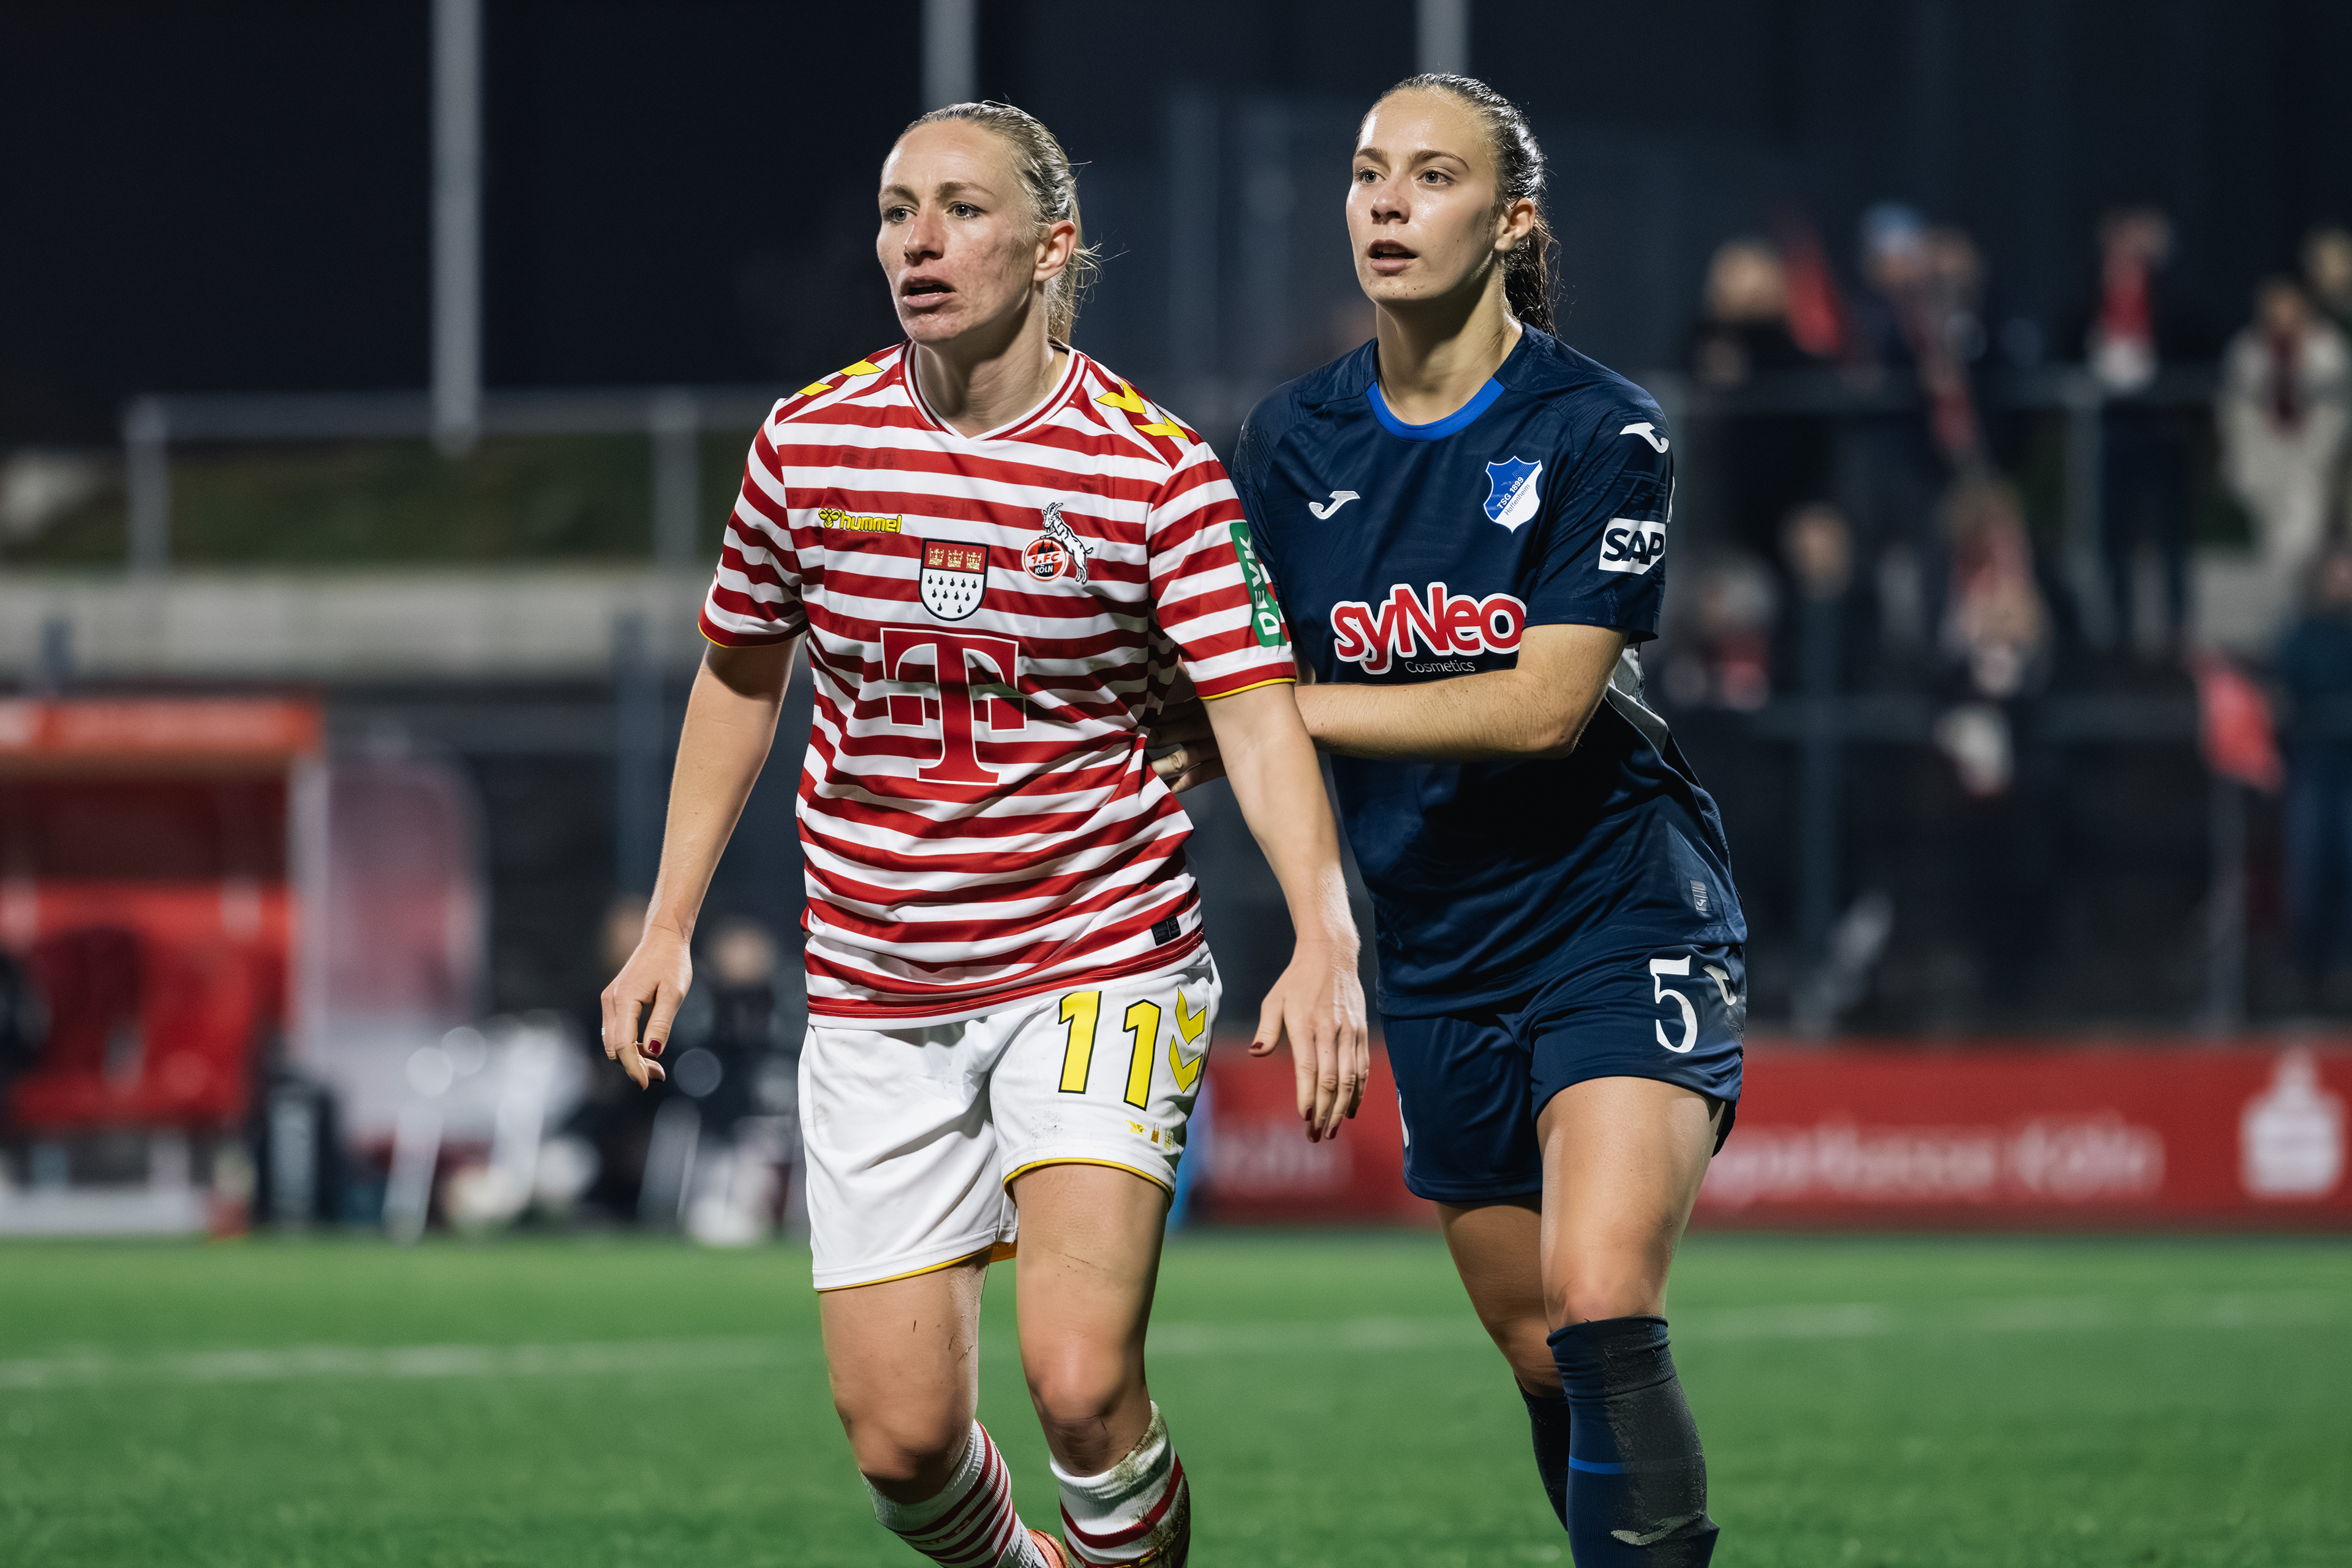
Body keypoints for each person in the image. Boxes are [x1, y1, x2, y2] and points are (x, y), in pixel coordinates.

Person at [600, 100, 1369, 1568]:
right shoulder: (809, 445)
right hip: (881, 992)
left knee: (1079, 1380)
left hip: (1098, 957)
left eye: (959, 207)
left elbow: (1259, 716)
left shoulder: (1152, 472)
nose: (918, 240)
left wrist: (1324, 935)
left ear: (1050, 244)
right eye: (897, 210)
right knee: (900, 1446)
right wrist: (667, 917)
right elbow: (738, 672)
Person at [1156, 74, 1736, 1564]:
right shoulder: (1286, 438)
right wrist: (1182, 749)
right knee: (1543, 1348)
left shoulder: (1602, 425)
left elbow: (1540, 703)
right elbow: (1227, 690)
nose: (1386, 203)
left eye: (1428, 175)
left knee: (1603, 1301)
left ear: (1509, 219)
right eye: (1366, 175)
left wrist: (1273, 706)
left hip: (1617, 906)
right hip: (1435, 942)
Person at [2218, 277, 2351, 580]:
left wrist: (2313, 449)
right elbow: (2234, 409)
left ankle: (2295, 611)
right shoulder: (2247, 348)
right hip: (2262, 459)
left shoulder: (2327, 346)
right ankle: (2281, 612)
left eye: (2289, 304)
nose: (2283, 312)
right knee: (2271, 542)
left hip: (2310, 459)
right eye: (2275, 304)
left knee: (2304, 535)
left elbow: (2338, 408)